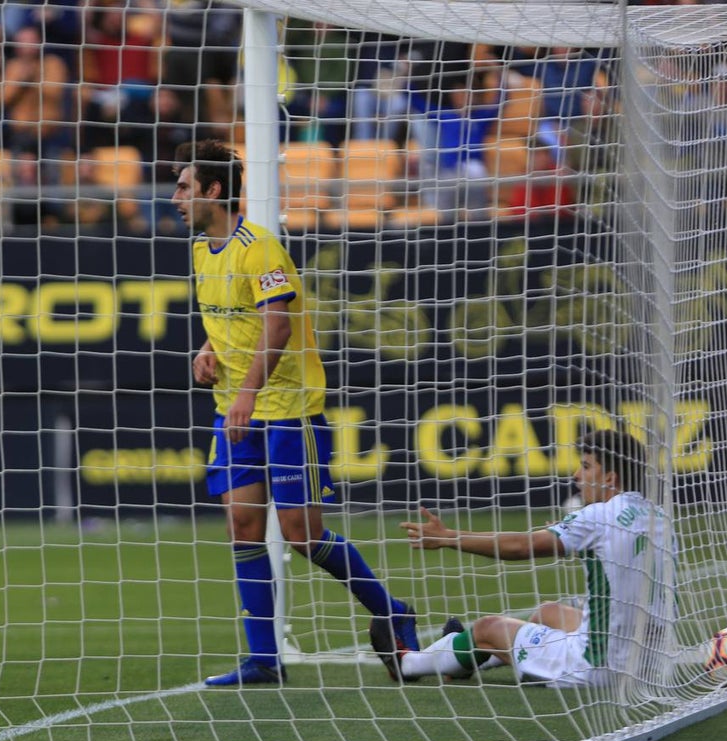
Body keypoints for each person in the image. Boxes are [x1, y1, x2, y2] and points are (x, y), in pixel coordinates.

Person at [172, 138, 419, 686]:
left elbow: (278, 325)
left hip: (285, 411)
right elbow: (233, 318)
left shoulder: (260, 248)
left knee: (302, 534)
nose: (175, 198)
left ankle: (390, 610)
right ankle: (264, 658)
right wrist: (209, 349)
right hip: (236, 412)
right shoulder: (198, 251)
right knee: (242, 525)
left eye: (185, 187)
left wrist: (247, 394)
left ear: (214, 191)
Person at [371, 429, 676, 688]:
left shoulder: (598, 516)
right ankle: (463, 660)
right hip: (649, 664)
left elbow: (520, 546)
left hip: (598, 666)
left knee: (487, 627)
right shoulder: (659, 517)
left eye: (585, 466)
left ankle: (408, 663)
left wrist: (448, 537)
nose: (576, 475)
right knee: (548, 613)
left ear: (610, 477)